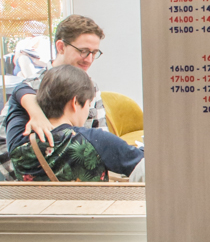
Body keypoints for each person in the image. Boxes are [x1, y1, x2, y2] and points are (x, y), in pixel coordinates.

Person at [10, 65, 143, 182]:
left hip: (35, 203)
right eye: (88, 105)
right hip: (90, 204)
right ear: (75, 102)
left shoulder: (19, 140)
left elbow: (18, 90)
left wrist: (36, 113)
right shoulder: (96, 140)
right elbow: (143, 164)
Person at [5, 14, 107, 150]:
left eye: (94, 53)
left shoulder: (92, 87)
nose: (89, 60)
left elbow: (102, 136)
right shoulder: (30, 87)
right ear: (61, 47)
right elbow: (3, 143)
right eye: (83, 51)